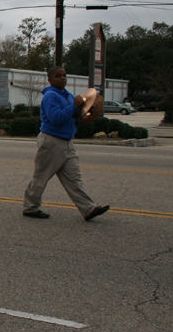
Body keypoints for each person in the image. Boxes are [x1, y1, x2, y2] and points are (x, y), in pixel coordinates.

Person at [22, 66, 110, 221]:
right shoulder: (50, 96)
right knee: (41, 177)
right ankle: (30, 208)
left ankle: (88, 209)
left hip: (67, 141)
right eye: (58, 76)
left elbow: (74, 117)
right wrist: (74, 105)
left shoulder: (68, 95)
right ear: (50, 79)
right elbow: (56, 118)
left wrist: (87, 115)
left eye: (64, 75)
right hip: (52, 141)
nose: (62, 78)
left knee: (74, 179)